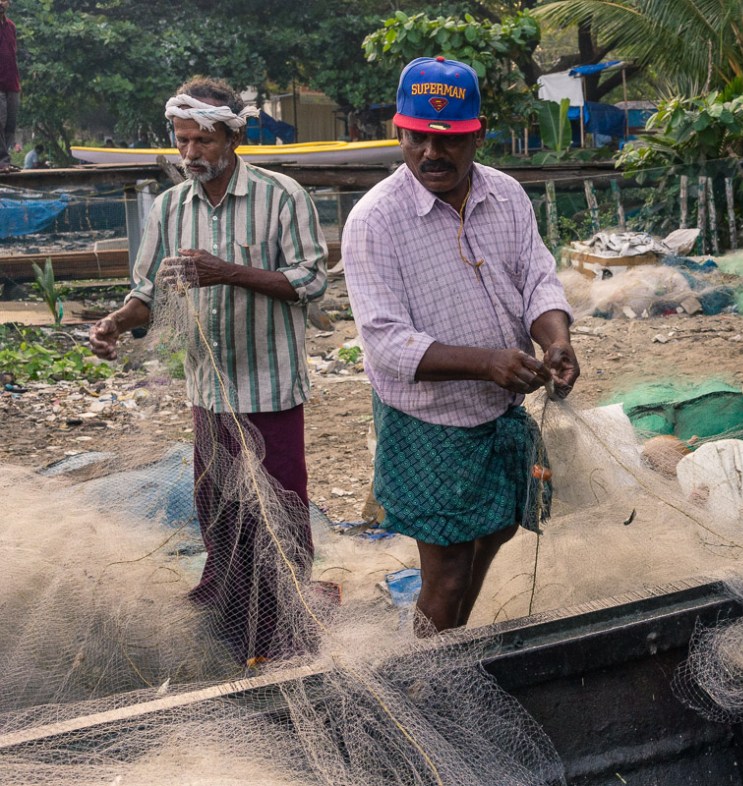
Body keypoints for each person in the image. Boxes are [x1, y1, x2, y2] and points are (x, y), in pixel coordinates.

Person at [88, 77, 329, 664]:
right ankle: (234, 622)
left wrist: (229, 272)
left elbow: (312, 282)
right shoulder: (170, 208)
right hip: (209, 391)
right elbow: (146, 292)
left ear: (233, 137)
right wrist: (118, 323)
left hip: (271, 386)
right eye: (182, 139)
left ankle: (284, 627)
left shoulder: (282, 196)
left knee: (279, 513)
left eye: (202, 140)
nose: (191, 153)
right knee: (219, 510)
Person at [343, 56, 580, 636]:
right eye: (417, 137)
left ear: (476, 136)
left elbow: (537, 279)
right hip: (428, 418)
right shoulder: (374, 220)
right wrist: (488, 364)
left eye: (448, 140)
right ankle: (431, 679)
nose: (431, 153)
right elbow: (386, 343)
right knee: (446, 572)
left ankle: (448, 645)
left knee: (497, 527)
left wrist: (556, 339)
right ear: (399, 132)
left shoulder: (506, 195)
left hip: (499, 407)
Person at [0, 0, 19, 173]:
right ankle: (2, 161)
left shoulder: (11, 26)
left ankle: (5, 162)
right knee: (0, 120)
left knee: (10, 124)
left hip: (12, 82)